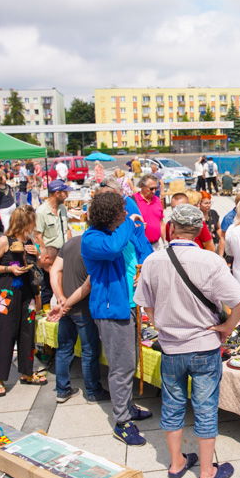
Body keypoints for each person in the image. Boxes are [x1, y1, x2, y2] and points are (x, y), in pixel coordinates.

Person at [134, 204, 240, 478]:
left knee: (171, 405)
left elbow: (145, 304)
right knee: (205, 407)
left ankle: (176, 463)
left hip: (171, 347)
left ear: (171, 227)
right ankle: (207, 472)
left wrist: (160, 323)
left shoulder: (153, 260)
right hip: (204, 346)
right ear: (199, 230)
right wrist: (227, 327)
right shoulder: (210, 261)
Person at [81, 191, 153, 446]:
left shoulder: (118, 233)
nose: (125, 213)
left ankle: (128, 406)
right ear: (110, 215)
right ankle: (122, 422)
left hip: (129, 306)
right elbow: (112, 250)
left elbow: (140, 253)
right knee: (121, 368)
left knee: (129, 363)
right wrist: (128, 223)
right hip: (112, 311)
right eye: (121, 211)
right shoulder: (92, 238)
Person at [0, 206, 46, 397]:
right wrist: (9, 269)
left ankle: (27, 372)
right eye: (31, 222)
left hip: (27, 291)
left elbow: (39, 265)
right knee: (6, 333)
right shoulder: (4, 241)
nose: (33, 226)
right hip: (8, 291)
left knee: (27, 332)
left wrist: (36, 254)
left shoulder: (29, 240)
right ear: (22, 222)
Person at [48, 233, 108, 404]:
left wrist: (61, 298)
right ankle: (92, 390)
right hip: (82, 308)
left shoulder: (71, 242)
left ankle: (62, 389)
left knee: (64, 349)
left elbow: (54, 270)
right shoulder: (95, 245)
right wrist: (64, 303)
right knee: (89, 351)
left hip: (68, 307)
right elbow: (88, 284)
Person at [34, 179, 72, 270]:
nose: (67, 195)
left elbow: (67, 229)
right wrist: (45, 257)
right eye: (65, 192)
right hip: (51, 257)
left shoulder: (62, 208)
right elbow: (38, 237)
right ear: (57, 193)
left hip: (64, 254)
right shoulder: (41, 212)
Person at [133, 175, 165, 250]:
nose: (154, 191)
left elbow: (161, 222)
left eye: (156, 188)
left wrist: (165, 242)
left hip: (156, 245)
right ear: (142, 186)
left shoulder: (157, 200)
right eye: (151, 189)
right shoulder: (133, 201)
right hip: (140, 245)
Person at [198, 191, 223, 256]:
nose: (208, 205)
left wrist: (221, 240)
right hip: (203, 247)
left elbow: (218, 228)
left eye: (210, 203)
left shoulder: (213, 213)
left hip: (215, 244)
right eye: (206, 203)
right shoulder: (197, 217)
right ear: (199, 204)